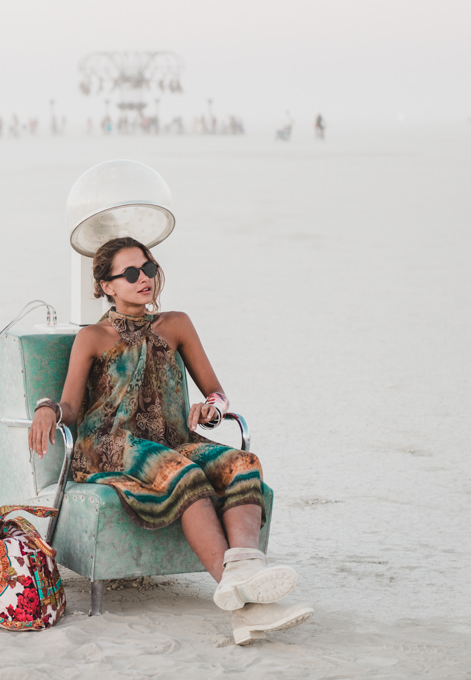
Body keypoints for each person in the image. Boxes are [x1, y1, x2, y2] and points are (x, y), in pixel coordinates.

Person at [28, 237, 313, 645]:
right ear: (107, 286)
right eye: (130, 274)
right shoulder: (93, 336)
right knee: (183, 472)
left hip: (172, 438)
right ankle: (248, 599)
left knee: (242, 463)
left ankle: (245, 580)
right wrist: (46, 408)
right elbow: (71, 406)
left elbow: (216, 392)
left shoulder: (176, 324)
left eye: (148, 268)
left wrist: (211, 409)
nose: (144, 278)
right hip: (109, 444)